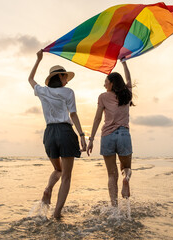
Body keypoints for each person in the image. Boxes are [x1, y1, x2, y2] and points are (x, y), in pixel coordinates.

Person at [28, 49, 87, 218]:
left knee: (57, 170)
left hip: (49, 134)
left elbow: (30, 79)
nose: (67, 79)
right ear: (60, 76)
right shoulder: (68, 92)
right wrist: (82, 136)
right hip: (65, 132)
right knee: (66, 177)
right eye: (65, 76)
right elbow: (73, 114)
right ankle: (57, 214)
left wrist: (38, 60)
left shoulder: (42, 91)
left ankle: (48, 189)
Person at [87, 60, 133, 207]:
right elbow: (129, 80)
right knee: (126, 168)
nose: (104, 84)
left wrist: (91, 139)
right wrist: (124, 64)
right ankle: (126, 179)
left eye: (106, 81)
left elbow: (97, 118)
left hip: (107, 136)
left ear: (112, 83)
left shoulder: (102, 97)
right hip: (123, 135)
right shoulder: (127, 94)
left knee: (111, 174)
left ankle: (114, 208)